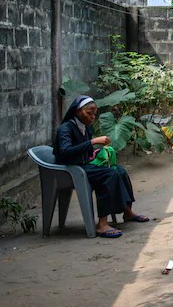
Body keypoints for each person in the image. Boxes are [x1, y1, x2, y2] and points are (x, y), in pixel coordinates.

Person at [54, 95, 149, 238]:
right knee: (108, 175)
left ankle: (127, 211)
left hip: (83, 165)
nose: (92, 117)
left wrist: (96, 152)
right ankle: (102, 224)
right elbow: (65, 152)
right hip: (70, 169)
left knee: (120, 171)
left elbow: (84, 150)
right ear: (78, 112)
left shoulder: (85, 127)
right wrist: (92, 142)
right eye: (89, 113)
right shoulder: (66, 128)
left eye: (94, 114)